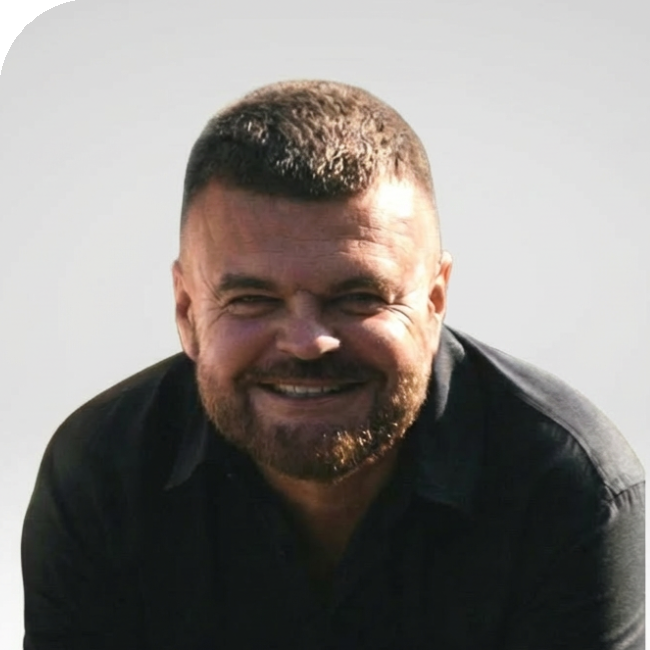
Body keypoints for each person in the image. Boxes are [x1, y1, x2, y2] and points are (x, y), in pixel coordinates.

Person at [22, 80, 644, 650]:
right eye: (252, 299)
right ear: (186, 310)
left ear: (434, 301)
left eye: (359, 297)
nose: (307, 342)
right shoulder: (101, 475)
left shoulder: (568, 489)